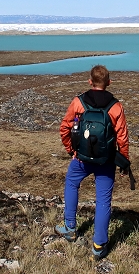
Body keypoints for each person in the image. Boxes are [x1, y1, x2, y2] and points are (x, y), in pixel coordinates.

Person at [55, 64, 130, 259]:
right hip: (106, 161)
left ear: (90, 81)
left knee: (72, 183)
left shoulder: (78, 102)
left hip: (81, 158)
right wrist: (124, 161)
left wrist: (72, 150)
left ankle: (70, 227)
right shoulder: (116, 106)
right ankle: (98, 245)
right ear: (108, 83)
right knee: (103, 199)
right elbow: (122, 137)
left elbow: (65, 128)